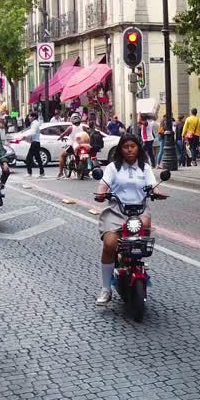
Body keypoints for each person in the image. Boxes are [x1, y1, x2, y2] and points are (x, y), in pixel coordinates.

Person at [92, 134, 160, 306]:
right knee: (109, 244)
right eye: (126, 146)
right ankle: (106, 289)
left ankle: (136, 265)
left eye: (133, 146)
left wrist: (157, 191)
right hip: (116, 211)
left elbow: (153, 184)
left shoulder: (144, 167)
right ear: (121, 149)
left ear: (138, 148)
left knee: (143, 236)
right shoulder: (113, 167)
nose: (130, 150)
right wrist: (101, 193)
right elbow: (104, 184)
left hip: (139, 210)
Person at [56, 114, 88, 179]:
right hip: (82, 146)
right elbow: (87, 134)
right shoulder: (83, 127)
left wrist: (60, 138)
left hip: (73, 146)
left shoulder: (70, 128)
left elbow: (63, 134)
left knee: (62, 155)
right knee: (86, 156)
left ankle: (61, 173)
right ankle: (86, 173)